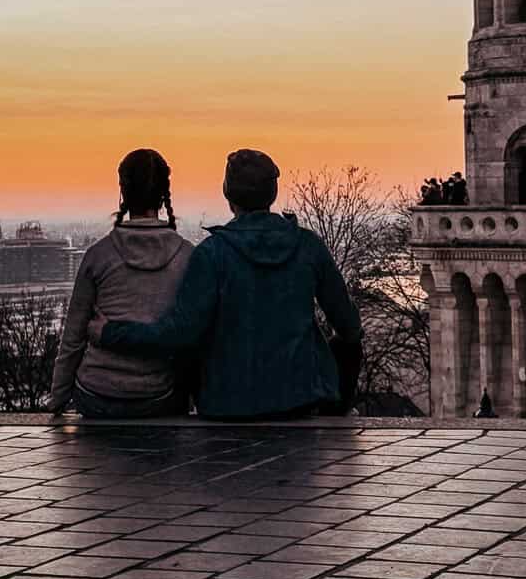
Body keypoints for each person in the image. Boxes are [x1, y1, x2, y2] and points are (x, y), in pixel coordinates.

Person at [89, 148, 362, 421]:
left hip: (226, 404)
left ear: (228, 195)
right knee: (349, 344)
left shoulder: (212, 254)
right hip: (298, 399)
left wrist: (111, 332)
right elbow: (349, 327)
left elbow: (179, 332)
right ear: (272, 193)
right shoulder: (307, 247)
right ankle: (339, 414)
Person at [49, 148, 194, 418]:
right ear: (164, 194)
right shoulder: (187, 255)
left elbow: (73, 337)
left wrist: (57, 398)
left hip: (96, 395)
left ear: (123, 191)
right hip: (158, 396)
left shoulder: (98, 255)